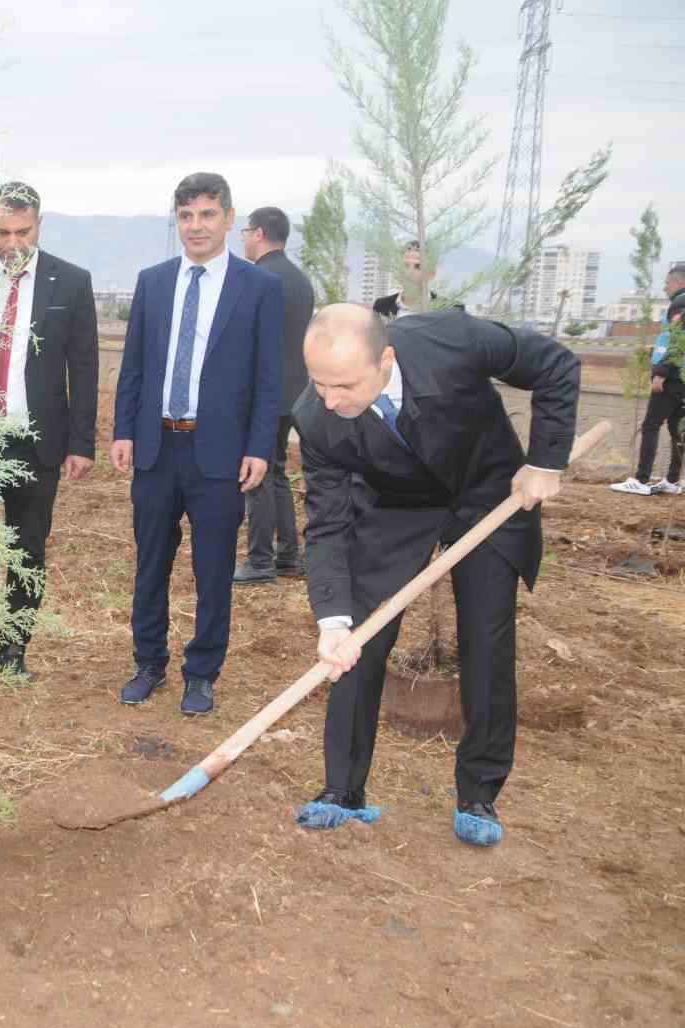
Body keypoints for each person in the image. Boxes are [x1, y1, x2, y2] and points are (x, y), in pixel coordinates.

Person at [294, 304, 578, 847]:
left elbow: (555, 364)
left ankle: (479, 791)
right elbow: (327, 524)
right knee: (358, 640)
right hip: (396, 505)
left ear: (387, 359)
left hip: (489, 491)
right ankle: (343, 790)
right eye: (319, 383)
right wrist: (332, 620)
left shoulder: (453, 340)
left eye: (346, 385)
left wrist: (546, 461)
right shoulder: (315, 416)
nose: (332, 400)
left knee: (487, 640)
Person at [111, 172, 281, 715]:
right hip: (157, 450)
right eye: (186, 216)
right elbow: (134, 365)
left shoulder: (258, 289)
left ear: (229, 218)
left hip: (220, 456)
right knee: (151, 562)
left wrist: (260, 446)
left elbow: (268, 377)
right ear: (177, 221)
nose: (196, 226)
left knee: (213, 570)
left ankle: (202, 673)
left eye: (207, 214)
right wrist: (123, 430)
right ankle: (148, 663)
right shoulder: (154, 282)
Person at [0, 180, 99, 680]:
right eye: (2, 231)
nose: (11, 243)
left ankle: (12, 655)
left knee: (27, 551)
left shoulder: (70, 282)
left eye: (21, 231)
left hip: (36, 442)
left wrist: (80, 442)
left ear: (39, 225)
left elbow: (85, 365)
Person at [234, 206, 315, 584]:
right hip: (295, 393)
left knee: (258, 477)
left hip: (264, 394)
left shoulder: (258, 277)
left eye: (246, 232)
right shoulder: (299, 279)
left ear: (259, 234)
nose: (246, 240)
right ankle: (288, 556)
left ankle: (260, 561)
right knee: (277, 473)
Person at [609, 264, 685, 496]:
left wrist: (661, 373)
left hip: (671, 378)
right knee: (677, 428)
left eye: (667, 282)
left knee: (651, 425)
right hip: (681, 377)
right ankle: (672, 480)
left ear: (680, 282)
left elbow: (677, 342)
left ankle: (641, 480)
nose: (664, 287)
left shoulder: (680, 303)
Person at [372, 241, 437, 319]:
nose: (410, 272)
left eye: (418, 267)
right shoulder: (381, 306)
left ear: (431, 274)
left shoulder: (448, 308)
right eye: (405, 266)